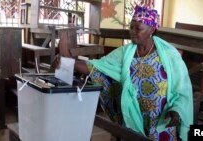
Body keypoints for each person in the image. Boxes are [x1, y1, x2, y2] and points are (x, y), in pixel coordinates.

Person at [52, 3, 193, 141]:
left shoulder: (169, 55)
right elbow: (99, 67)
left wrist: (177, 111)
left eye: (138, 28)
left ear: (151, 30)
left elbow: (182, 88)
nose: (132, 31)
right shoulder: (126, 52)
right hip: (131, 117)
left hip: (160, 120)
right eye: (131, 27)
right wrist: (68, 62)